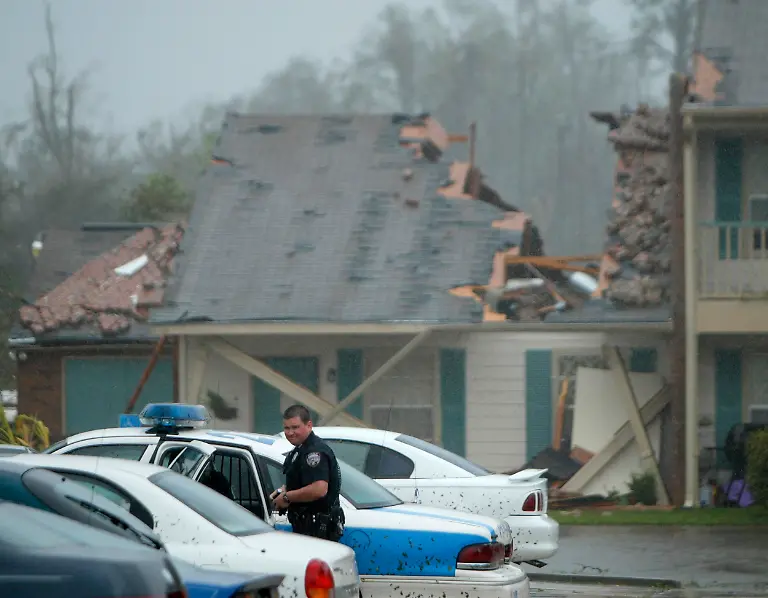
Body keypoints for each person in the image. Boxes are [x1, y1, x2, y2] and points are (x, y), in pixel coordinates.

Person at [270, 404, 345, 542]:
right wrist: (283, 491)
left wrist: (286, 497)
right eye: (287, 428)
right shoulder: (300, 450)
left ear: (309, 425)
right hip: (307, 526)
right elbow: (303, 481)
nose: (290, 432)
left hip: (317, 528)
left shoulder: (314, 452)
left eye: (295, 427)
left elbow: (319, 489)